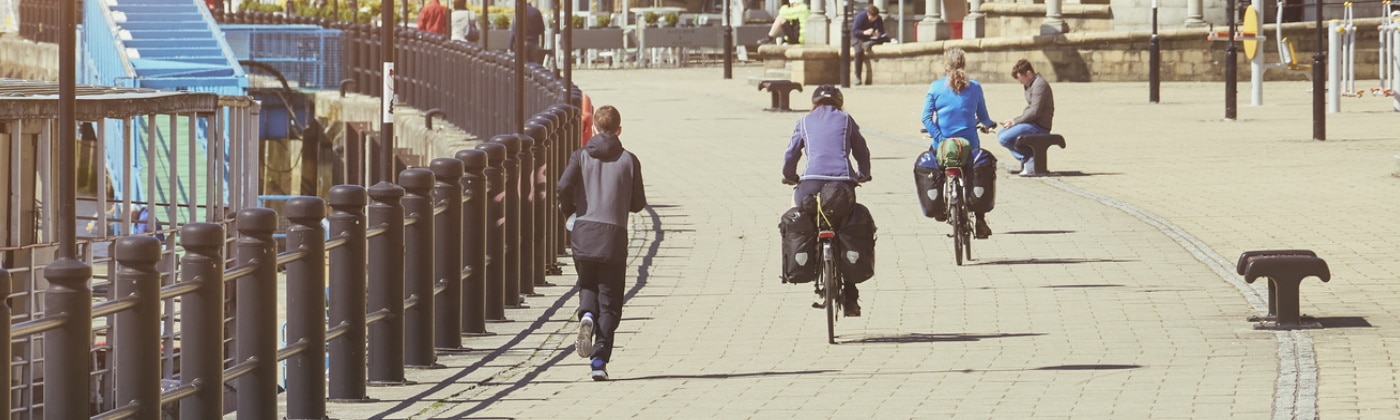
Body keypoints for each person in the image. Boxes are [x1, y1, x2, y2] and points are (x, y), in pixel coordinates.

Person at [558, 105, 647, 381]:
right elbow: (638, 203)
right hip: (613, 238)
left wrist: (570, 211)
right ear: (619, 130)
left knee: (587, 284)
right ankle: (598, 360)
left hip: (583, 234)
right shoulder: (630, 160)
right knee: (610, 303)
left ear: (594, 129)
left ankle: (586, 316)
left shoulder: (580, 156)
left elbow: (562, 186)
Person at [781, 85, 872, 316]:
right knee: (844, 229)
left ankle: (809, 265)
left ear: (814, 103)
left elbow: (791, 153)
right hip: (842, 186)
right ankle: (851, 298)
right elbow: (861, 150)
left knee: (801, 217)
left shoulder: (803, 121)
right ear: (839, 103)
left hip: (809, 185)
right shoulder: (846, 119)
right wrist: (864, 172)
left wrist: (789, 176)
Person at [920, 47, 995, 238]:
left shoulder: (936, 87)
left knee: (935, 169)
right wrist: (988, 125)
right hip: (969, 144)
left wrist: (941, 139)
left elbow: (926, 118)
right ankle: (980, 220)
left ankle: (939, 208)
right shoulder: (975, 87)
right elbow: (983, 117)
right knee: (976, 172)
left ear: (945, 65)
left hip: (942, 146)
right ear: (964, 63)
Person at [997, 59, 1055, 176]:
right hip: (1031, 123)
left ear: (1028, 73)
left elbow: (1034, 111)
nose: (1020, 82)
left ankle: (1029, 160)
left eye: (1020, 78)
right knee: (1001, 133)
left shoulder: (1040, 85)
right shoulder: (1030, 84)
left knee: (1004, 138)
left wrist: (1015, 122)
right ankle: (1029, 159)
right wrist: (1014, 121)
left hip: (1040, 126)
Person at [851, 5, 889, 86]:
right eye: (871, 18)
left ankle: (869, 44)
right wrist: (864, 32)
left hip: (871, 38)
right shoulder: (860, 17)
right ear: (868, 14)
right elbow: (854, 31)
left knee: (886, 38)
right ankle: (857, 76)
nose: (873, 20)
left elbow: (882, 31)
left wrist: (878, 34)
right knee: (858, 52)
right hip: (858, 37)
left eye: (874, 18)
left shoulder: (878, 19)